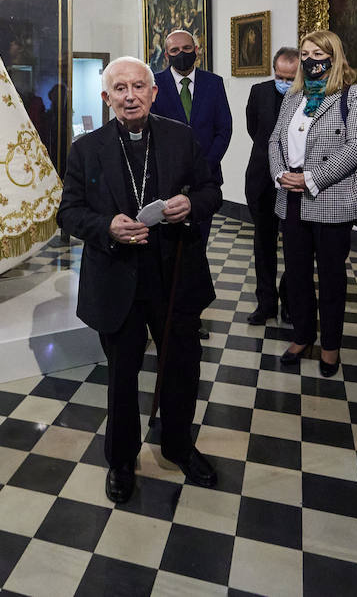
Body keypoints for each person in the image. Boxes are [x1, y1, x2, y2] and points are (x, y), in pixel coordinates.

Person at [56, 57, 222, 505]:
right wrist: (107, 226)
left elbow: (211, 190)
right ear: (106, 98)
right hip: (117, 277)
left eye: (139, 87)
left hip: (174, 276)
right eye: (120, 88)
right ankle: (122, 459)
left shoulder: (180, 138)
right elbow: (68, 213)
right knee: (122, 376)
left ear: (154, 93)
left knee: (182, 368)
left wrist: (192, 204)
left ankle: (179, 446)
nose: (130, 95)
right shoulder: (85, 149)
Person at [267, 30, 357, 378]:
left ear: (334, 56)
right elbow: (274, 140)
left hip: (329, 196)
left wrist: (312, 178)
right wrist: (280, 174)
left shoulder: (353, 94)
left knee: (330, 277)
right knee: (296, 274)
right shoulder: (292, 97)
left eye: (318, 53)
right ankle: (302, 335)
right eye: (305, 53)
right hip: (292, 198)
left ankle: (330, 346)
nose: (311, 59)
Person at [153, 28, 232, 339]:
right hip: (165, 182)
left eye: (187, 48)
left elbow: (223, 130)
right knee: (166, 251)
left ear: (197, 49)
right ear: (165, 52)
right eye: (174, 50)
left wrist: (202, 168)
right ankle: (163, 314)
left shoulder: (214, 84)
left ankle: (190, 316)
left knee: (195, 251)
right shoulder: (155, 84)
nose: (181, 54)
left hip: (204, 184)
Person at [242, 46, 298, 325]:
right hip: (261, 177)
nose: (284, 82)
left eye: (290, 78)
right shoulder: (259, 91)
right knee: (263, 243)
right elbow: (254, 129)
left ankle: (290, 301)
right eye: (279, 76)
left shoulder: (309, 94)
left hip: (294, 180)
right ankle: (266, 303)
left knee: (294, 245)